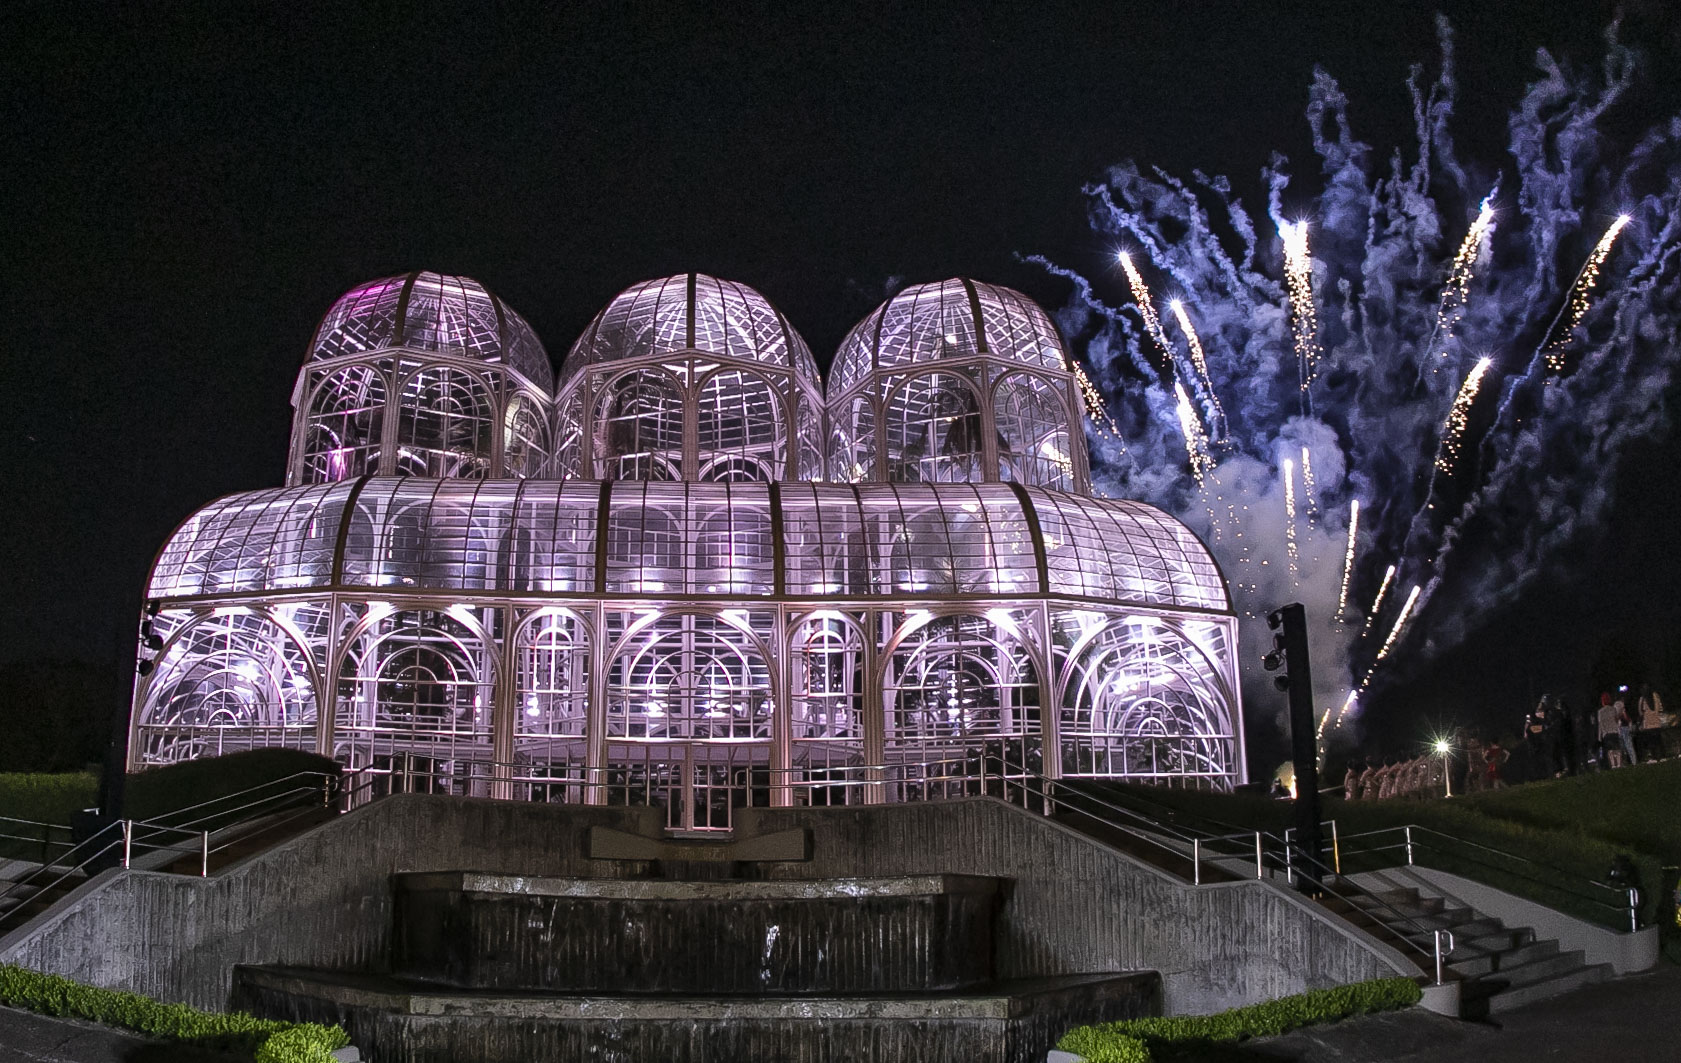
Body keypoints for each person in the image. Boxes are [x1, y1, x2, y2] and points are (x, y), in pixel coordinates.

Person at [1597, 693, 1622, 769]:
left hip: (1606, 733)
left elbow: (1600, 724)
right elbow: (1616, 720)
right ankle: (1619, 764)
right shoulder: (1613, 709)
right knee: (1617, 749)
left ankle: (1613, 765)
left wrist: (1599, 737)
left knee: (1610, 750)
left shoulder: (1600, 712)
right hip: (1614, 731)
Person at [1615, 689, 1638, 766]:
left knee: (1622, 747)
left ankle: (1624, 763)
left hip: (1619, 728)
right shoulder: (1621, 704)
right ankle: (1633, 762)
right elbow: (1624, 716)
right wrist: (1630, 722)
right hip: (1624, 727)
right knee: (1629, 745)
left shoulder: (1615, 705)